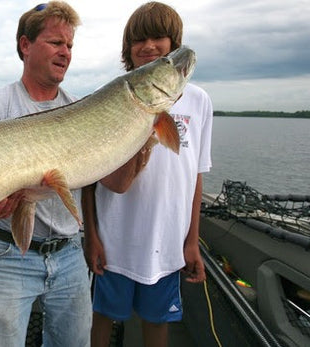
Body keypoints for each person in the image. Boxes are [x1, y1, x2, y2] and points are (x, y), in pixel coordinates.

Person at [83, 2, 213, 347]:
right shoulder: (106, 97)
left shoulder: (199, 102)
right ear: (128, 49)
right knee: (102, 320)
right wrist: (91, 236)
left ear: (174, 43)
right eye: (138, 40)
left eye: (158, 38)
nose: (148, 46)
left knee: (158, 325)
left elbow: (196, 176)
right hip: (114, 243)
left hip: (168, 245)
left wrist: (191, 241)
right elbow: (89, 177)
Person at [0, 2, 91, 347]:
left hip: (68, 254)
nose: (65, 52)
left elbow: (104, 182)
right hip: (7, 255)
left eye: (69, 46)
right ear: (25, 45)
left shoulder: (80, 109)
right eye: (55, 43)